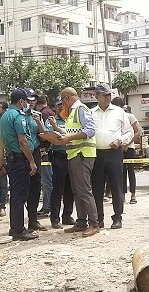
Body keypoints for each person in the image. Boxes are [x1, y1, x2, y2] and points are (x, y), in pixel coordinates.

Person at [52, 87, 99, 237]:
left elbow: (91, 130)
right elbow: (71, 133)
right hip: (74, 155)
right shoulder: (73, 112)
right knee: (77, 191)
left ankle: (94, 224)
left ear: (66, 98)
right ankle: (81, 222)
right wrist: (56, 130)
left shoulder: (80, 108)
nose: (62, 105)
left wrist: (68, 139)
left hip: (82, 154)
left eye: (62, 101)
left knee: (84, 191)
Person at [0, 88, 39, 241]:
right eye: (26, 101)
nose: (27, 104)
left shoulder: (6, 115)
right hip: (20, 159)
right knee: (20, 195)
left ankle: (15, 227)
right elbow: (22, 141)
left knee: (15, 194)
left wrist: (1, 157)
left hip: (12, 158)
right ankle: (19, 230)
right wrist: (32, 161)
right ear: (21, 101)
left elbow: (1, 137)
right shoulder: (17, 116)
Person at [90, 84, 133, 229]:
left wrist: (120, 140)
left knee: (116, 186)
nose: (108, 97)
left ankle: (117, 218)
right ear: (96, 96)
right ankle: (98, 218)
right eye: (104, 95)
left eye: (109, 94)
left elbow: (129, 132)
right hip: (96, 154)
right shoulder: (91, 113)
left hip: (114, 153)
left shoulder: (119, 112)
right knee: (97, 188)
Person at [45, 97, 75, 229]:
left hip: (72, 155)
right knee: (57, 188)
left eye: (64, 105)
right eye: (59, 105)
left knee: (70, 188)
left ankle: (67, 216)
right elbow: (48, 135)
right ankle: (55, 218)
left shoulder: (72, 120)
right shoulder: (51, 120)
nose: (62, 108)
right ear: (55, 108)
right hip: (58, 156)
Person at [24, 88, 47, 231]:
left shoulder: (37, 115)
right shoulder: (17, 115)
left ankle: (33, 220)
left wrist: (39, 122)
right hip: (21, 155)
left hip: (35, 153)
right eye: (29, 100)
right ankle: (19, 224)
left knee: (35, 187)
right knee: (22, 189)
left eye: (34, 100)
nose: (32, 102)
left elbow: (44, 134)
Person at [34, 95, 55, 217]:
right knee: (46, 181)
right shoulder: (49, 112)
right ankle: (46, 206)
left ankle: (47, 207)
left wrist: (44, 148)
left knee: (47, 182)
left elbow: (45, 133)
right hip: (48, 151)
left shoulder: (43, 114)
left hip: (45, 153)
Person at [120, 102, 141, 205]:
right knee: (126, 172)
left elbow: (137, 131)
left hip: (127, 147)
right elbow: (138, 131)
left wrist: (127, 143)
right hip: (122, 146)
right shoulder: (122, 116)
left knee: (126, 171)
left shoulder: (130, 117)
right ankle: (129, 195)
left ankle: (130, 195)